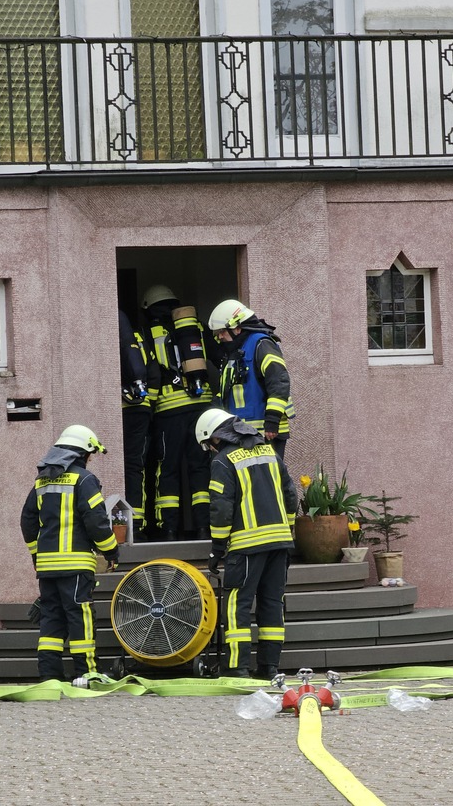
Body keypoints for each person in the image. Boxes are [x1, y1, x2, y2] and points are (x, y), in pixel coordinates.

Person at [195, 408, 297, 679]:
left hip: (246, 546)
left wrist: (217, 548)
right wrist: (288, 530)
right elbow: (291, 495)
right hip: (280, 543)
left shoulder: (224, 461)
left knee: (237, 604)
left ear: (215, 438)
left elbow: (221, 508)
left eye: (208, 445)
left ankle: (237, 668)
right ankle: (269, 667)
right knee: (273, 603)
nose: (210, 451)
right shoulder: (269, 452)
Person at [20, 425, 119, 682]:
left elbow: (27, 521)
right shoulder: (84, 480)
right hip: (75, 566)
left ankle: (49, 675)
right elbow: (96, 520)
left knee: (51, 618)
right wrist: (111, 551)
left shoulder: (41, 481)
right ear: (82, 453)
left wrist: (35, 555)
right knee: (79, 616)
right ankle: (86, 672)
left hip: (47, 567)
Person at [141, 285, 216, 541]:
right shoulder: (195, 327)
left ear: (148, 307)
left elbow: (148, 370)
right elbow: (217, 357)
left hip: (168, 411)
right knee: (201, 468)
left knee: (168, 470)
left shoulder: (148, 332)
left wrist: (148, 409)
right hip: (201, 409)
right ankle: (204, 527)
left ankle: (169, 530)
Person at [207, 299, 294, 460]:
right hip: (243, 433)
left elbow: (279, 382)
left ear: (237, 328)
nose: (219, 337)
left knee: (268, 482)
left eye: (222, 331)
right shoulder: (234, 352)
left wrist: (272, 421)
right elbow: (226, 392)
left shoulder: (262, 344)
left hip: (267, 433)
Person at [119, 308, 160, 542]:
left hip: (122, 411)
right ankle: (138, 524)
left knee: (122, 465)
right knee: (136, 467)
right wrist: (149, 405)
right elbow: (153, 373)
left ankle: (126, 526)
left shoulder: (113, 339)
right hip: (141, 410)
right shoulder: (140, 341)